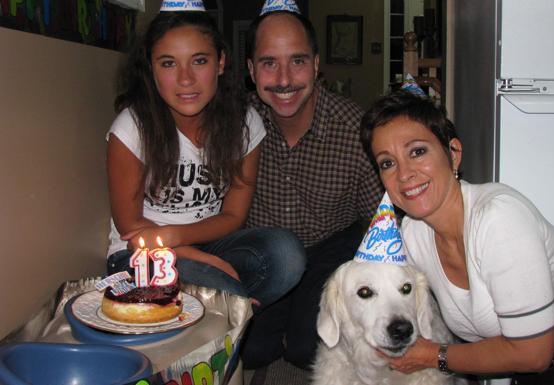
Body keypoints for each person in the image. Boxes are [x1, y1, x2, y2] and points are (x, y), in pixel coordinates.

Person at [360, 90, 554, 384]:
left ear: (453, 154)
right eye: (387, 163)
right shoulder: (413, 233)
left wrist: (433, 355)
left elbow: (531, 353)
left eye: (417, 151)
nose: (404, 173)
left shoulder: (497, 217)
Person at [105, 8, 305, 310]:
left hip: (208, 242)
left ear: (221, 62)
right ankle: (229, 308)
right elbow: (131, 230)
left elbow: (233, 216)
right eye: (168, 63)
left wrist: (179, 237)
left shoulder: (245, 123)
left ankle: (220, 307)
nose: (186, 79)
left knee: (286, 254)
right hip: (140, 255)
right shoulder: (131, 128)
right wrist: (200, 258)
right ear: (151, 67)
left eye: (199, 61)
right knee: (223, 292)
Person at [241, 8, 384, 370]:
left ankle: (298, 326)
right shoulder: (235, 123)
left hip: (330, 245)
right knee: (251, 352)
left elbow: (376, 225)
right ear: (251, 69)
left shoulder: (355, 128)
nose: (284, 79)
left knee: (307, 350)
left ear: (317, 65)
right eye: (269, 63)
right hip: (265, 253)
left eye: (298, 61)